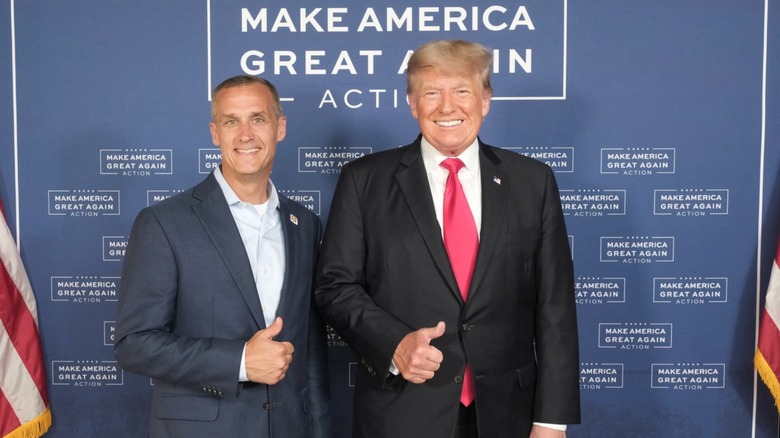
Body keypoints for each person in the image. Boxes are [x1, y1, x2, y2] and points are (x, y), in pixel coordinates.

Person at [314, 40, 580, 437]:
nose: (447, 107)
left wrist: (551, 419)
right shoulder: (364, 180)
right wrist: (395, 344)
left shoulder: (532, 181)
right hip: (401, 411)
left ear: (486, 100)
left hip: (509, 415)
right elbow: (334, 287)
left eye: (462, 91)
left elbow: (555, 307)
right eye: (431, 93)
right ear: (411, 102)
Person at [114, 75, 330, 438]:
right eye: (232, 121)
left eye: (258, 119)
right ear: (215, 133)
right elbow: (133, 343)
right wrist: (241, 361)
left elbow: (311, 351)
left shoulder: (305, 224)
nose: (245, 134)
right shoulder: (165, 222)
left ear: (281, 127)